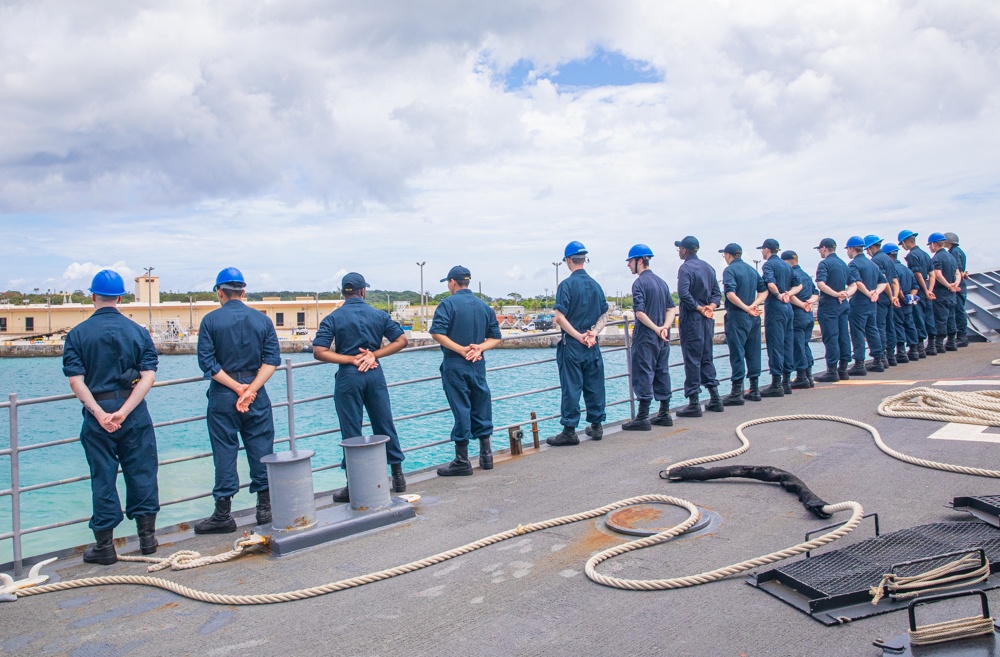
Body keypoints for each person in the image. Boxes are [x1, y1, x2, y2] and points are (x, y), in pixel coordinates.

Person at [62, 270, 160, 565]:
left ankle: (105, 546)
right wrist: (124, 411)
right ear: (120, 298)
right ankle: (147, 540)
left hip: (98, 416)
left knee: (102, 477)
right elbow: (148, 376)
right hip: (133, 413)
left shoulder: (78, 334)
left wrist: (101, 413)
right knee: (142, 471)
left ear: (93, 296)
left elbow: (76, 381)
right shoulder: (138, 331)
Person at [195, 267, 280, 533]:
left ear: (220, 292)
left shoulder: (210, 321)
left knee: (224, 451)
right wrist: (250, 390)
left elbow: (207, 363)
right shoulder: (262, 320)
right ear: (244, 292)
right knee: (262, 447)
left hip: (223, 394)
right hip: (256, 393)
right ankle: (264, 509)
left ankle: (223, 514)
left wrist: (236, 387)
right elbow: (272, 361)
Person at [313, 273, 409, 502]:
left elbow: (319, 351)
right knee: (384, 423)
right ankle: (398, 477)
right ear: (363, 291)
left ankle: (354, 484)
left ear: (343, 292)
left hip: (348, 376)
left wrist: (350, 359)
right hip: (374, 372)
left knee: (351, 429)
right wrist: (373, 355)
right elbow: (401, 340)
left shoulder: (334, 317)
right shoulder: (378, 315)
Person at [430, 266, 503, 473]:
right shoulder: (484, 306)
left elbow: (437, 332)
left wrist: (461, 350)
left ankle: (462, 461)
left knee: (461, 408)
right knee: (481, 404)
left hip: (455, 362)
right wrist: (479, 347)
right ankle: (486, 455)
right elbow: (496, 337)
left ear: (452, 282)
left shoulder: (447, 304)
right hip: (478, 362)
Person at [548, 241, 609, 445]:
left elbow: (559, 317)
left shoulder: (566, 285)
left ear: (567, 261)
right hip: (592, 344)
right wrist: (593, 333)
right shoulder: (595, 285)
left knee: (571, 387)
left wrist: (578, 336)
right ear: (584, 259)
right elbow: (604, 314)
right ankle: (597, 426)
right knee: (595, 385)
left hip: (573, 345)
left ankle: (569, 430)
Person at [622, 244, 677, 430]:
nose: (628, 265)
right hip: (663, 337)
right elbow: (671, 308)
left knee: (643, 372)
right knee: (662, 371)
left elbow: (639, 313)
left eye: (630, 261)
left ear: (639, 261)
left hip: (646, 336)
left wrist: (655, 328)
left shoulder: (639, 283)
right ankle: (664, 413)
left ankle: (643, 417)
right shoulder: (662, 282)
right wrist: (665, 327)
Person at [675, 235, 723, 417]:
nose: (679, 251)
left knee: (692, 359)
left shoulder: (685, 268)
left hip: (692, 318)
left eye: (680, 248)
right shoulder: (708, 268)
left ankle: (694, 401)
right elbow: (717, 294)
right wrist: (710, 307)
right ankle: (715, 396)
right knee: (706, 356)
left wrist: (698, 307)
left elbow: (683, 294)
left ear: (685, 250)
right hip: (707, 319)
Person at [719, 243, 767, 404]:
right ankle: (754, 389)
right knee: (754, 351)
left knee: (737, 352)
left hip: (738, 315)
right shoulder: (752, 270)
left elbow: (730, 294)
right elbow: (764, 290)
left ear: (728, 255)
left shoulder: (730, 270)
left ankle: (736, 392)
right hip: (753, 316)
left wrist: (746, 307)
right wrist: (754, 304)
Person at [758, 238, 800, 396]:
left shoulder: (768, 265)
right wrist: (788, 294)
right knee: (787, 343)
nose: (762, 252)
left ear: (767, 250)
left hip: (776, 307)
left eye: (762, 249)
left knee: (775, 344)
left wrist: (778, 295)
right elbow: (799, 285)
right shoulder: (786, 265)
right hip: (788, 308)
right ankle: (787, 381)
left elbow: (770, 283)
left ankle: (776, 383)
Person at [813, 238, 857, 382]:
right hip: (843, 304)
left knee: (831, 337)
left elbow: (820, 283)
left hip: (829, 304)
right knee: (843, 335)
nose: (819, 252)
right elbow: (854, 284)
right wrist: (845, 294)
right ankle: (843, 369)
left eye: (819, 249)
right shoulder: (843, 264)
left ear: (824, 248)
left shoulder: (825, 263)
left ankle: (832, 370)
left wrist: (836, 294)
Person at [846, 236, 887, 375]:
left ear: (852, 249)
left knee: (857, 332)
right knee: (872, 330)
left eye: (847, 249)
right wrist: (876, 292)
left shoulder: (853, 264)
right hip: (872, 303)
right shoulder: (872, 264)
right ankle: (878, 360)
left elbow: (857, 282)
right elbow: (884, 282)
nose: (847, 252)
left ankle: (859, 363)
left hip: (859, 302)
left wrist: (868, 293)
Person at [781, 251, 819, 389]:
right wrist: (809, 303)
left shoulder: (791, 275)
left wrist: (802, 304)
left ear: (785, 262)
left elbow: (788, 295)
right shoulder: (806, 276)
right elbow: (816, 293)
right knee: (804, 344)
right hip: (808, 315)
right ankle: (809, 375)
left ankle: (802, 376)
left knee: (797, 346)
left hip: (797, 314)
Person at [865, 235, 900, 368]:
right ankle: (891, 356)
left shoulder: (876, 260)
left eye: (867, 249)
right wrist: (894, 297)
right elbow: (895, 281)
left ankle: (882, 357)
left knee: (879, 327)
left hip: (881, 297)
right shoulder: (888, 259)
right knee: (890, 326)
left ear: (871, 247)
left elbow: (883, 280)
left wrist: (890, 296)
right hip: (889, 298)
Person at [882, 243, 920, 362]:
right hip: (908, 303)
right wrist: (910, 297)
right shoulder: (907, 269)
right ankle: (914, 350)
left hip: (897, 302)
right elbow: (915, 286)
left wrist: (902, 297)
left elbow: (895, 285)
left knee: (897, 326)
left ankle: (901, 352)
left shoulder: (892, 269)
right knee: (910, 324)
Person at [898, 230, 933, 357]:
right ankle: (930, 345)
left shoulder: (912, 255)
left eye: (902, 244)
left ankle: (919, 348)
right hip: (927, 289)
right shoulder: (925, 254)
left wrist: (923, 290)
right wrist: (929, 290)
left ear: (906, 242)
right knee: (927, 317)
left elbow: (918, 275)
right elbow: (932, 274)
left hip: (919, 291)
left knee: (917, 317)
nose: (902, 247)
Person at [927, 232, 961, 353]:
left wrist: (948, 285)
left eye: (930, 245)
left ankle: (939, 344)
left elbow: (937, 274)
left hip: (941, 292)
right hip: (952, 293)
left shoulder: (937, 258)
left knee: (940, 318)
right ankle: (951, 342)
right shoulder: (951, 256)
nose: (929, 247)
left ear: (935, 244)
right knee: (951, 317)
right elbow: (957, 273)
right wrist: (955, 284)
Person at [944, 232, 970, 348]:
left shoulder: (954, 252)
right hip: (961, 285)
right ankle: (961, 335)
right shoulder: (959, 251)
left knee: (958, 311)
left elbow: (957, 269)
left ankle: (961, 337)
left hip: (957, 286)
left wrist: (955, 284)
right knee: (959, 311)